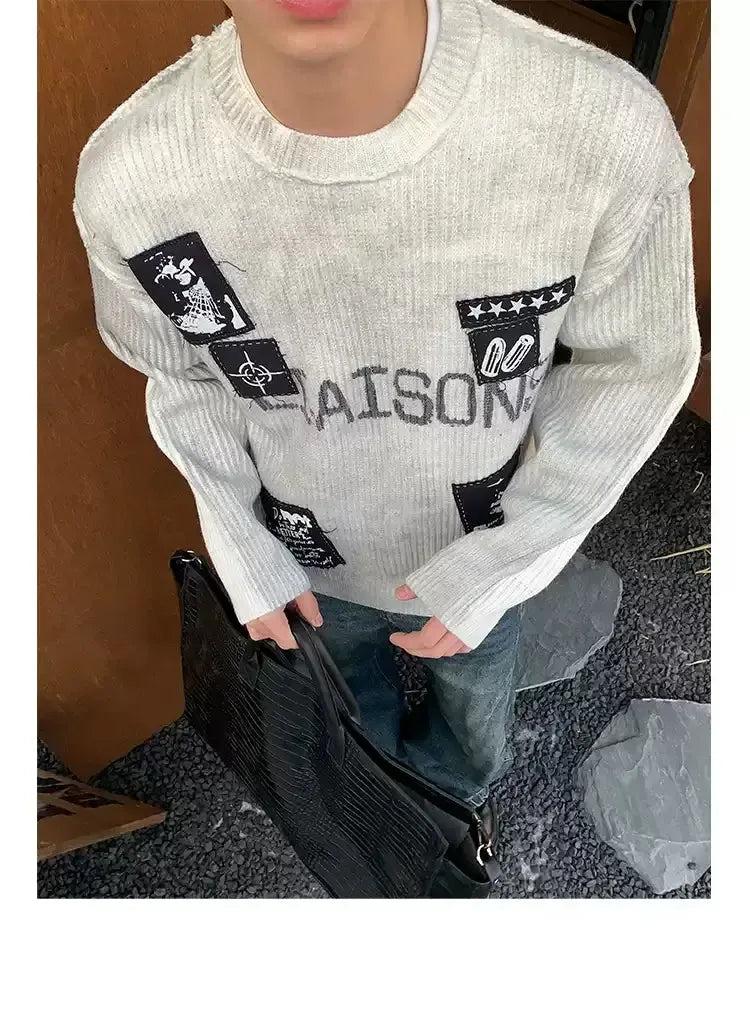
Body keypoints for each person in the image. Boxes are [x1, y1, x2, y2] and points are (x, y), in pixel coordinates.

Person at [73, 0, 699, 859]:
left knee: (474, 709)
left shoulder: (597, 127)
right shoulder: (133, 180)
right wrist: (242, 542)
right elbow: (184, 374)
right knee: (346, 708)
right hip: (306, 554)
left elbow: (632, 363)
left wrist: (514, 554)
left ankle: (453, 807)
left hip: (480, 539)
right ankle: (383, 800)